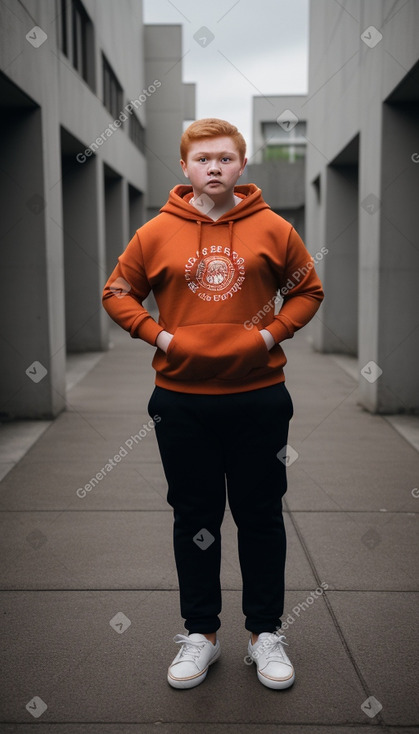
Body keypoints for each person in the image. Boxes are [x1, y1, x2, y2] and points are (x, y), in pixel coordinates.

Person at [102, 118, 324, 691]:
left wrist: (268, 336)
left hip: (259, 397)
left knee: (259, 516)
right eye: (204, 160)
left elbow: (308, 289)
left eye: (226, 158)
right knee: (195, 518)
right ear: (185, 168)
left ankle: (265, 634)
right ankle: (201, 634)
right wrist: (162, 338)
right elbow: (117, 292)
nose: (215, 168)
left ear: (241, 166)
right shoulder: (155, 232)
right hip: (181, 401)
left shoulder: (274, 228)